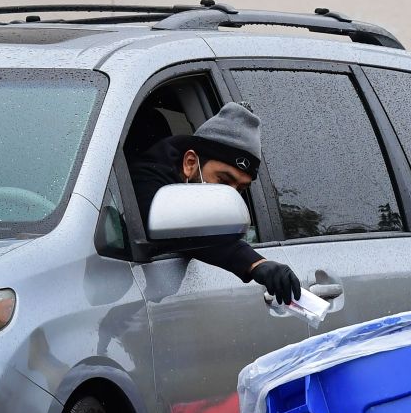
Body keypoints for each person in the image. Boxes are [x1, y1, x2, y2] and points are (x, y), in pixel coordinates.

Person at [128, 102, 301, 305]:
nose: (230, 197)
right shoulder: (144, 181)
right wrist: (253, 263)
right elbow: (186, 227)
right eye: (223, 181)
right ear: (190, 163)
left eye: (241, 189)